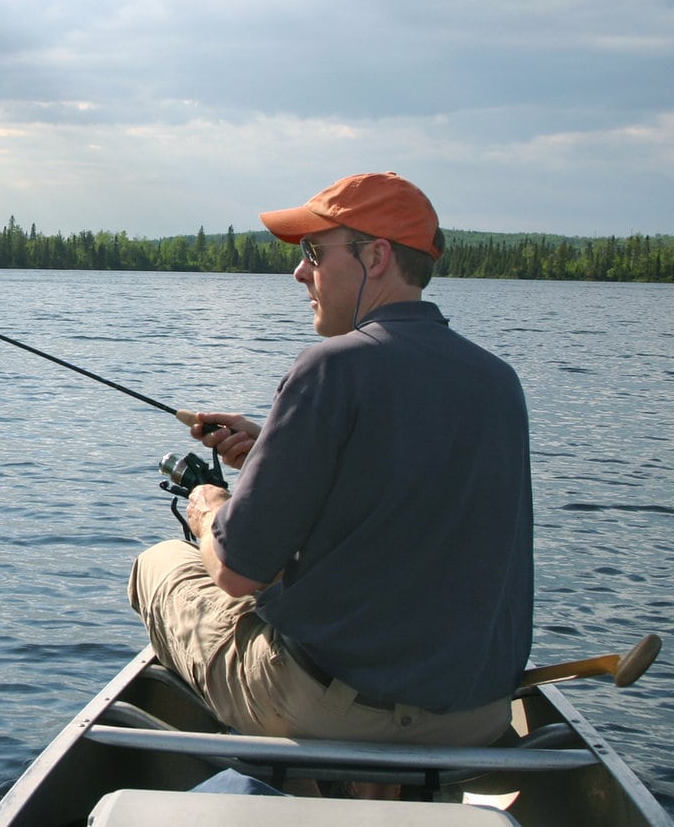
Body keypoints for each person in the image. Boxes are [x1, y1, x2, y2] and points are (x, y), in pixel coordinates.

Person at [129, 171, 533, 750]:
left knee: (162, 562)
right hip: (478, 716)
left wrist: (209, 509)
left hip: (336, 713)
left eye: (315, 252)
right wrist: (275, 447)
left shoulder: (330, 367)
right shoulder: (499, 381)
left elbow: (238, 573)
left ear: (377, 256)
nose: (300, 272)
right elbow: (402, 485)